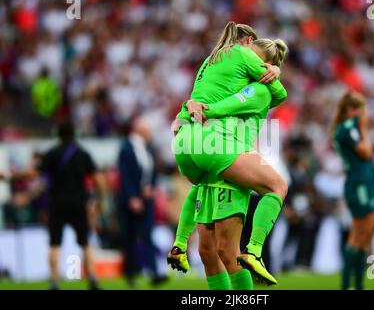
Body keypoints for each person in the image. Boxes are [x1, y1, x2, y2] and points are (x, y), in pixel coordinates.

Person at [167, 22, 283, 282]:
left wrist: (189, 108)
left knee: (213, 251)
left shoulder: (222, 66)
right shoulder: (249, 83)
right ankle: (254, 250)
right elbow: (278, 94)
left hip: (195, 143)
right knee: (219, 252)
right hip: (224, 150)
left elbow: (209, 98)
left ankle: (179, 243)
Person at [0, 121, 106, 290]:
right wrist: (101, 201)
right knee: (85, 242)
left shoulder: (52, 154)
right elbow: (99, 180)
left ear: (58, 135)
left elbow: (32, 173)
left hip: (57, 203)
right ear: (74, 134)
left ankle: (55, 280)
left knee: (54, 243)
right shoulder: (83, 154)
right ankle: (92, 277)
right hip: (79, 203)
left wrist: (8, 176)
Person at [331, 91, 374, 290]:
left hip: (363, 183)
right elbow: (366, 151)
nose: (364, 114)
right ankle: (349, 285)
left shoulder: (347, 128)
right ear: (352, 110)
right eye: (361, 109)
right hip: (359, 185)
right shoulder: (349, 128)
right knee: (359, 236)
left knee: (364, 235)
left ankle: (357, 285)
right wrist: (364, 128)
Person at [117, 117, 168, 287]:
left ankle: (153, 273)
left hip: (146, 200)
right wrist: (132, 197)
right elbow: (125, 176)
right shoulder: (126, 148)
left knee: (147, 235)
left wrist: (151, 187)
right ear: (140, 130)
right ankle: (130, 274)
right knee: (130, 237)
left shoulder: (147, 149)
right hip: (130, 201)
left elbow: (152, 172)